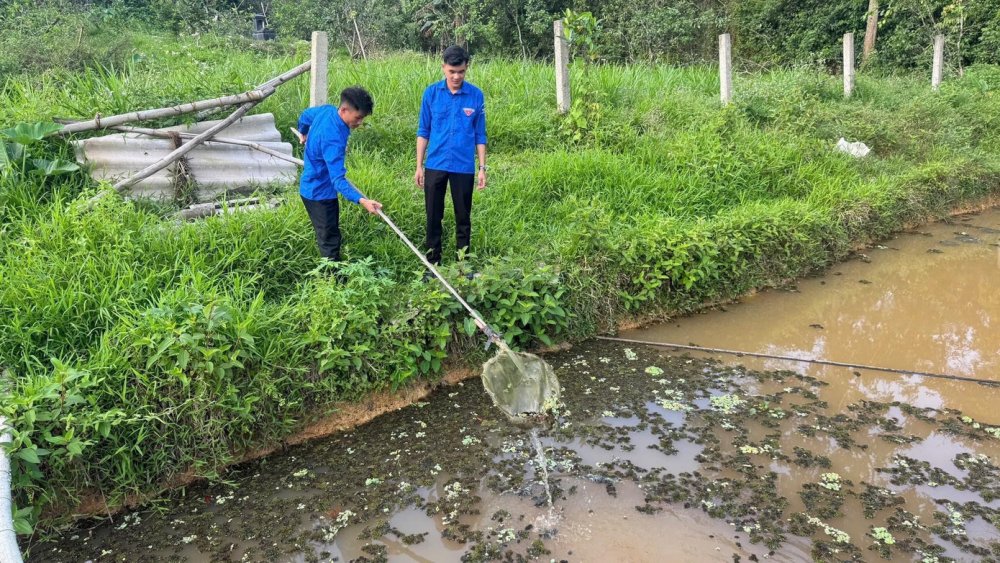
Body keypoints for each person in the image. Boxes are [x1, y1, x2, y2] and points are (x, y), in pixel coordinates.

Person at [415, 45, 488, 266]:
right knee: (433, 216)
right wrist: (419, 165)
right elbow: (423, 131)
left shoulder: (476, 95)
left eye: (461, 72)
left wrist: (482, 168)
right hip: (435, 163)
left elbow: (480, 134)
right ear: (443, 68)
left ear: (466, 69)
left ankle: (462, 265)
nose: (456, 76)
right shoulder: (431, 93)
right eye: (452, 71)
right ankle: (433, 264)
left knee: (463, 217)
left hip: (463, 166)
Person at [297, 86, 383, 263]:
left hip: (312, 184)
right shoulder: (333, 139)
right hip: (319, 194)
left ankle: (334, 273)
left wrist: (303, 132)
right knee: (329, 240)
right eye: (358, 118)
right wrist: (363, 200)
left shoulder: (327, 110)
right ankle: (333, 282)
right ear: (344, 110)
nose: (359, 123)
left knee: (330, 233)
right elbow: (337, 180)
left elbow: (305, 115)